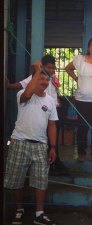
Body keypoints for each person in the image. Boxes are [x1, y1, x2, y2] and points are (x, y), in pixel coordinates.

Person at [4, 60, 59, 225]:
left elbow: (52, 125)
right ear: (33, 79)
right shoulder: (22, 94)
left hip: (41, 145)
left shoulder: (49, 100)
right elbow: (28, 94)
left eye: (46, 79)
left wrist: (53, 147)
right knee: (17, 179)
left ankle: (39, 214)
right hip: (19, 142)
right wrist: (37, 71)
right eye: (40, 78)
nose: (43, 81)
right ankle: (19, 210)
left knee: (41, 180)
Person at [6, 55, 67, 173]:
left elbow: (54, 91)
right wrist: (9, 86)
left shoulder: (52, 77)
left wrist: (58, 98)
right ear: (42, 67)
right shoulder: (36, 76)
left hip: (53, 110)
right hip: (41, 111)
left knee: (53, 139)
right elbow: (22, 85)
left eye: (53, 68)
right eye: (48, 67)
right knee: (45, 139)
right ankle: (49, 165)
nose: (51, 70)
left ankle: (55, 162)